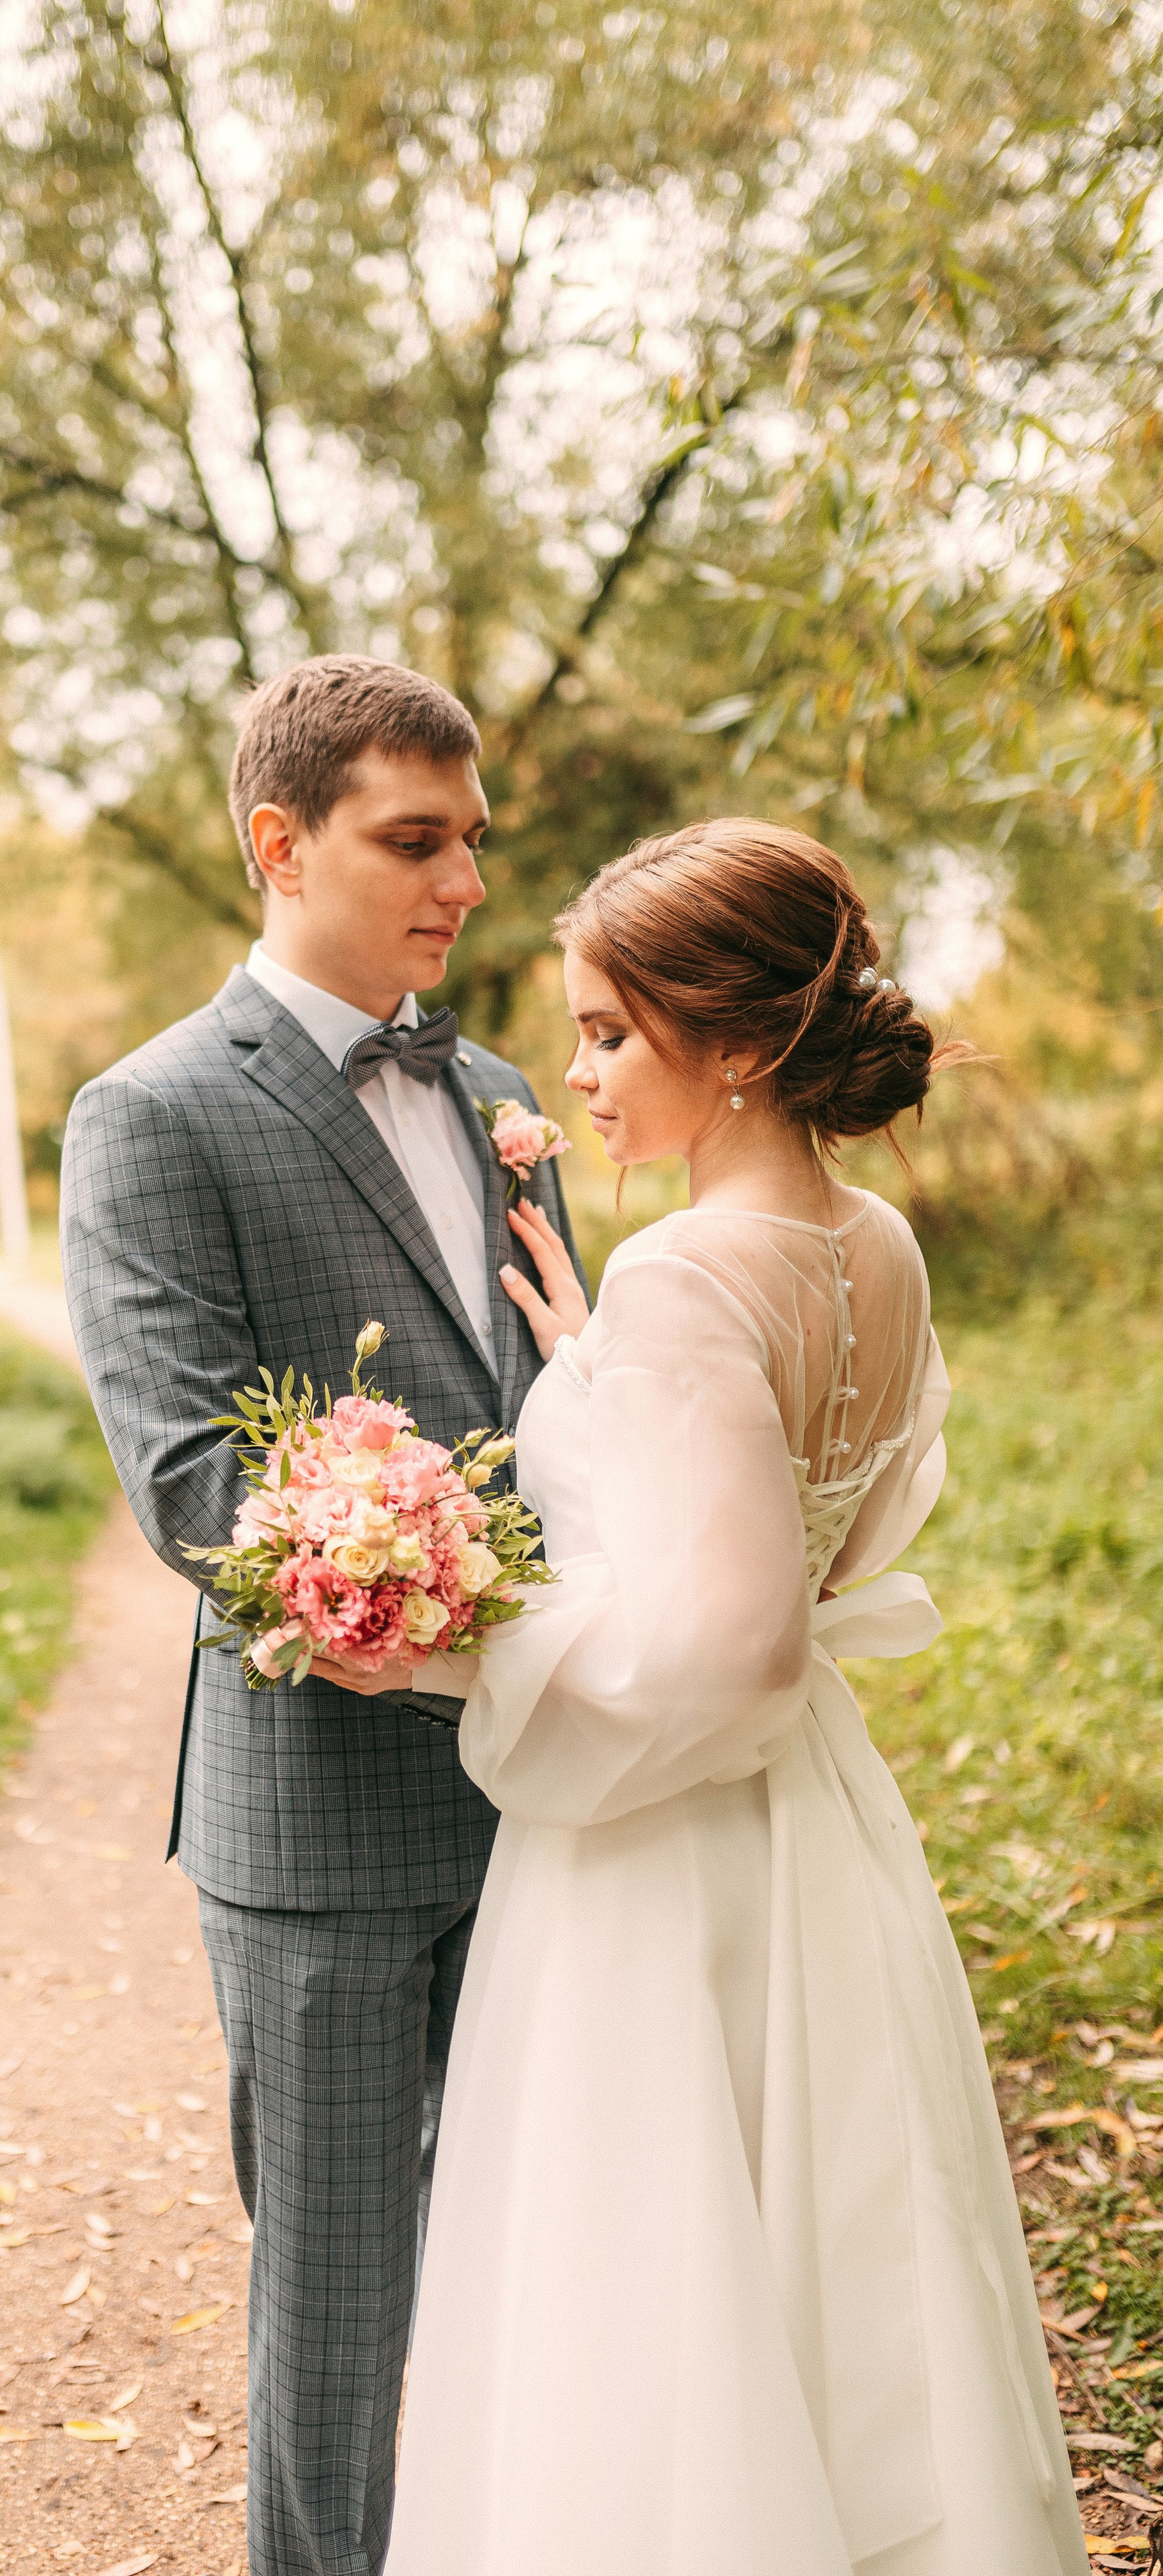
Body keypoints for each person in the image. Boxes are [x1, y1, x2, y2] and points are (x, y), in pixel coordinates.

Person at [319, 817, 1081, 2574]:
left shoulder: (681, 1278)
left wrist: (446, 1648)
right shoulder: (874, 1244)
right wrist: (603, 1374)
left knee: (651, 2271)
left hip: (664, 1866)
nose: (574, 1074)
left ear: (732, 1043)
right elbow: (823, 1542)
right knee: (830, 2248)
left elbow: (730, 1648)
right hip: (821, 1825)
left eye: (608, 1031)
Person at [59, 655, 587, 2576]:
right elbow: (197, 1488)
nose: (461, 884)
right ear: (281, 844)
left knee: (525, 2271)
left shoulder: (514, 1097)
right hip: (320, 1820)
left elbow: (568, 1421)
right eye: (414, 841)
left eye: (473, 845)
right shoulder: (150, 1116)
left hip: (553, 1793)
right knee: (346, 2312)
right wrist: (432, 1594)